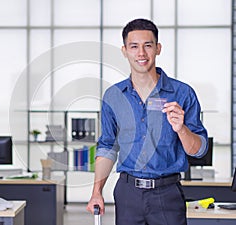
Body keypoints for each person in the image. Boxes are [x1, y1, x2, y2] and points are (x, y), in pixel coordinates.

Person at [86, 18, 208, 225]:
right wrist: (96, 191)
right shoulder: (114, 96)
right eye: (134, 46)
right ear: (124, 50)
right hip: (127, 194)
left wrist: (181, 129)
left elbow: (199, 149)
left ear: (158, 49)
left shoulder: (182, 93)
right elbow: (107, 146)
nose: (141, 53)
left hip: (167, 194)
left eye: (148, 45)